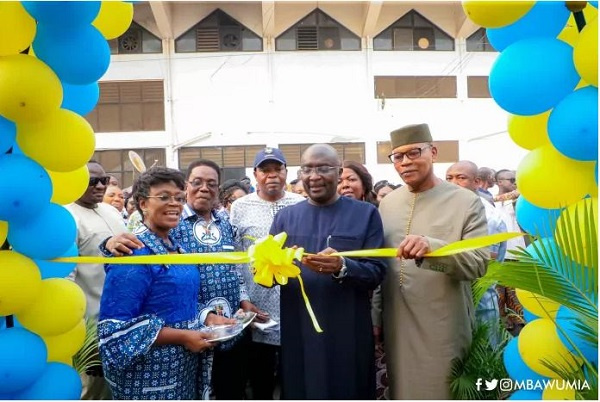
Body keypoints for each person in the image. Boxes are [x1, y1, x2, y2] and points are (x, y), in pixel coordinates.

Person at [102, 159, 261, 400]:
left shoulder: (176, 249)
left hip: (185, 370)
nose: (174, 204)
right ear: (142, 203)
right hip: (149, 377)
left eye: (177, 197)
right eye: (164, 197)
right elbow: (114, 330)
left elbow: (181, 302)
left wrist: (206, 316)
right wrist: (184, 336)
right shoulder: (135, 252)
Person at [377, 124, 489, 399]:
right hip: (396, 320)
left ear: (434, 152)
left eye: (414, 152)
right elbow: (382, 266)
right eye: (397, 157)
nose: (405, 162)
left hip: (443, 321)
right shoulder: (387, 203)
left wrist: (433, 247)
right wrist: (375, 315)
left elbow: (478, 263)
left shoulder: (466, 202)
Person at [270, 144, 386, 399]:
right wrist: (264, 267)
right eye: (307, 169)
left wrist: (343, 267)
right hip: (298, 329)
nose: (314, 176)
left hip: (347, 330)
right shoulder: (285, 218)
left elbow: (377, 270)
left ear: (339, 172)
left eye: (323, 168)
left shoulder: (366, 214)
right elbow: (270, 276)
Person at [229, 147, 305, 399]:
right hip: (257, 309)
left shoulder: (301, 204)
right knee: (261, 381)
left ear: (286, 172)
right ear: (255, 174)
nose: (272, 175)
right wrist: (244, 299)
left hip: (295, 305)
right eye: (265, 170)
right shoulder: (240, 207)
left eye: (278, 169)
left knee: (294, 381)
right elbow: (235, 259)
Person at [65, 160, 129, 400]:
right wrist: (84, 339)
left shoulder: (112, 212)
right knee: (90, 391)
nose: (100, 186)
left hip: (120, 320)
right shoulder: (68, 217)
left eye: (104, 179)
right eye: (93, 181)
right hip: (89, 326)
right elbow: (67, 281)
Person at [446, 160, 508, 347]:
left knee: (484, 355)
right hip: (456, 297)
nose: (453, 183)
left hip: (480, 298)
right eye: (449, 178)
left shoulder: (485, 214)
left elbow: (486, 259)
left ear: (477, 182)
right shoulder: (452, 208)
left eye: (461, 178)